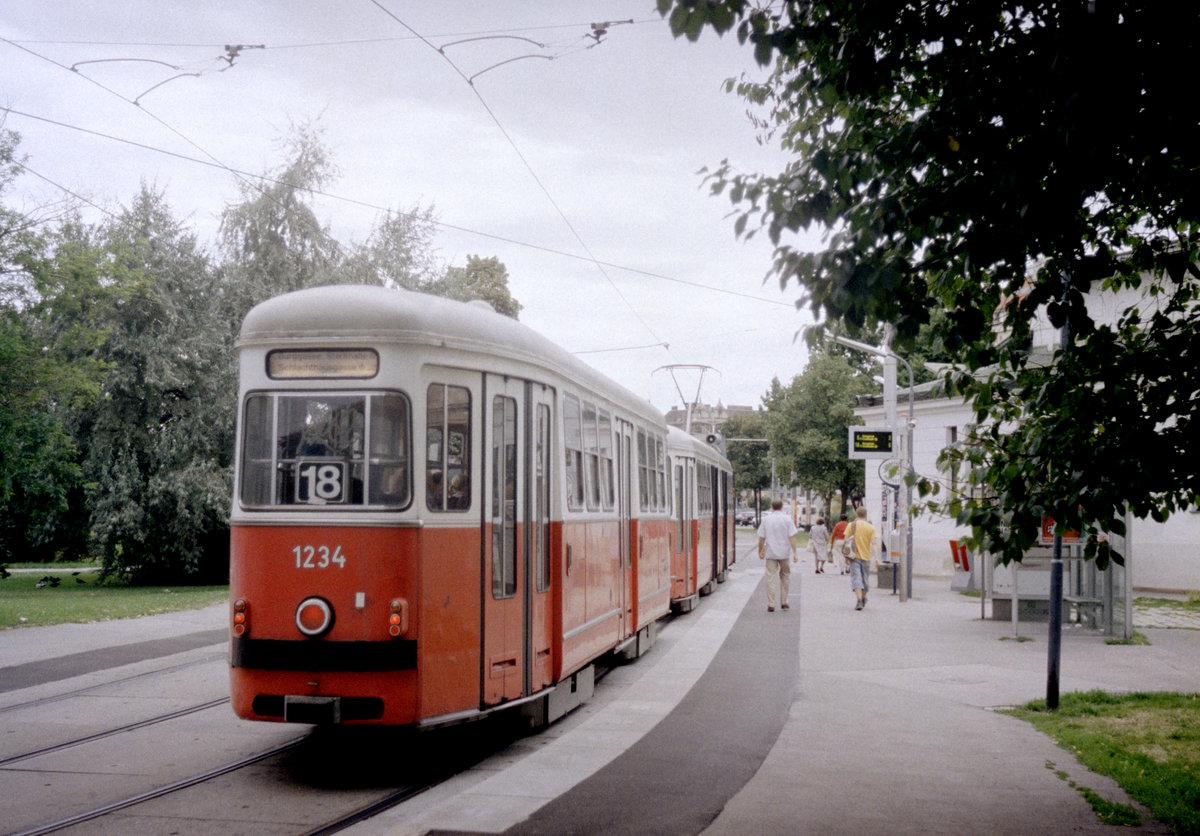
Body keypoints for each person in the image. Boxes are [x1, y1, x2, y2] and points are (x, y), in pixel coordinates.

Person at [757, 499, 799, 612]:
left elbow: (761, 538)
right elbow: (792, 537)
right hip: (784, 553)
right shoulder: (787, 519)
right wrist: (795, 553)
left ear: (772, 507)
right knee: (785, 576)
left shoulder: (766, 520)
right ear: (781, 507)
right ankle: (784, 602)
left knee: (770, 577)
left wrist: (760, 550)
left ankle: (771, 603)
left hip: (770, 553)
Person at [846, 506, 879, 610]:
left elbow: (846, 541)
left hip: (853, 556)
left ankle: (860, 600)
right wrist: (877, 558)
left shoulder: (851, 525)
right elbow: (874, 544)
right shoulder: (871, 527)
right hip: (866, 557)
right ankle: (862, 598)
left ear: (857, 514)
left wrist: (846, 556)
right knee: (865, 580)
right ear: (866, 515)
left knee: (856, 578)